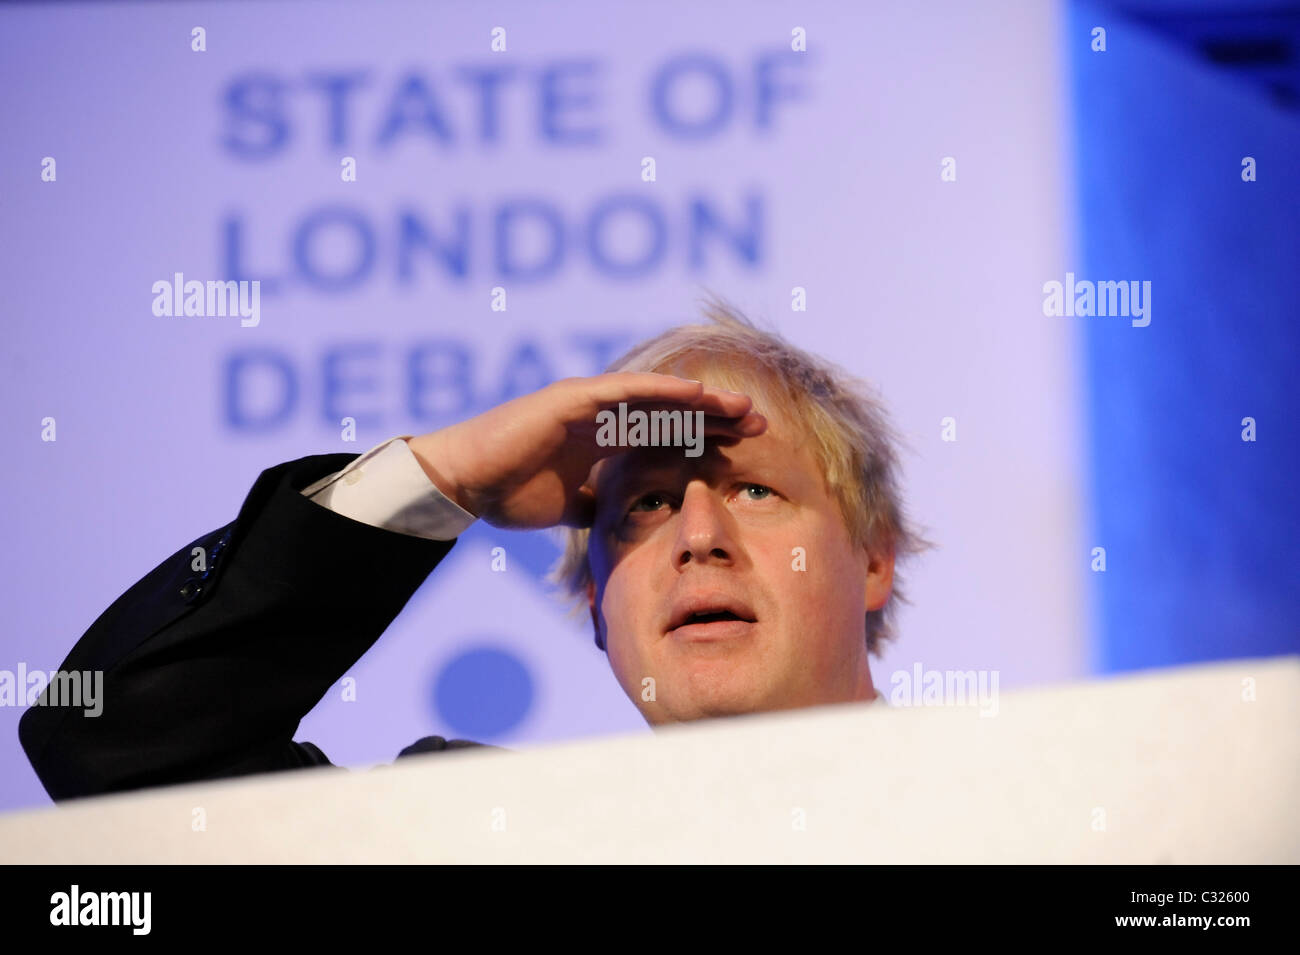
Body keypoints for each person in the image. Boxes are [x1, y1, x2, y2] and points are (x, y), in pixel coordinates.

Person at [19, 299, 927, 802]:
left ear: (874, 556)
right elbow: (120, 752)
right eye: (645, 502)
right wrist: (445, 475)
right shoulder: (471, 834)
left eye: (756, 490)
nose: (698, 537)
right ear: (600, 607)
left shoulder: (1044, 808)